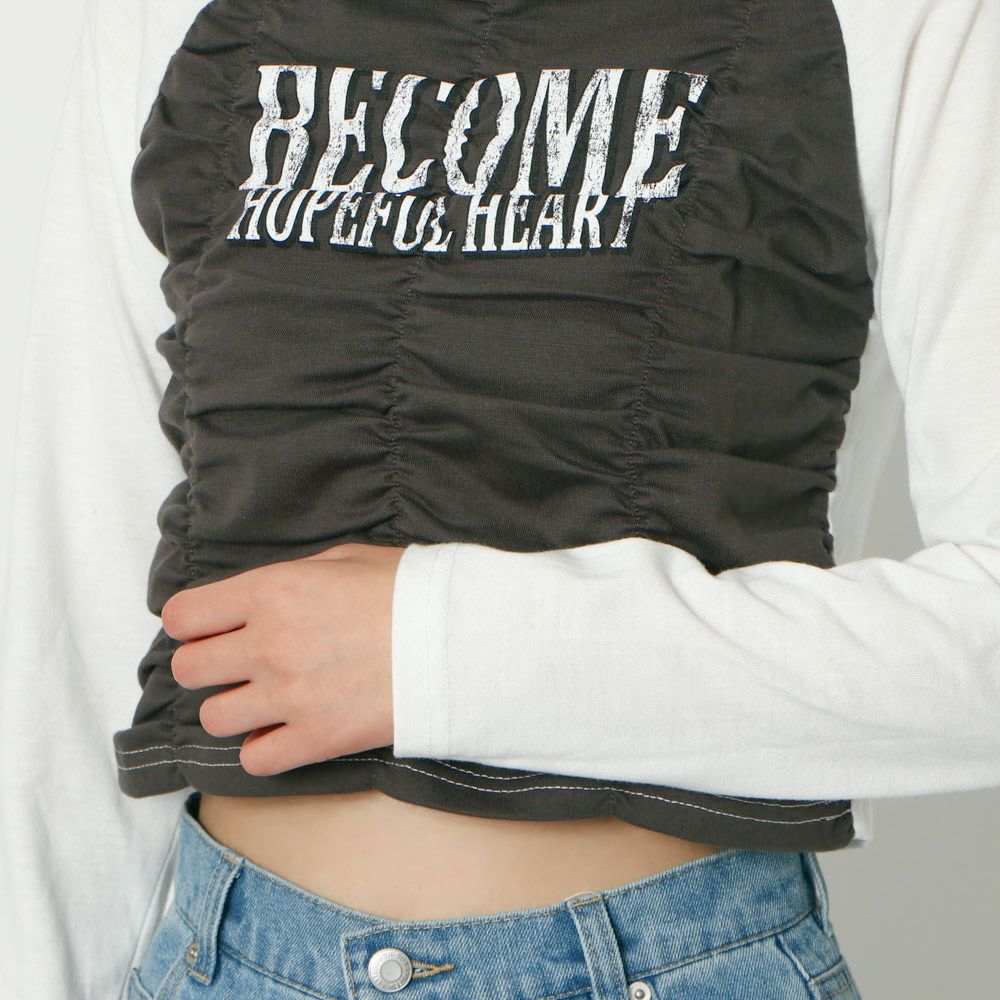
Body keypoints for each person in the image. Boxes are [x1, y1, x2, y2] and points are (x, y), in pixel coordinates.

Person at [1, 0, 998, 998]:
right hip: (224, 960)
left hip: (665, 967)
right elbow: (74, 610)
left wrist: (441, 650)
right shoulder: (161, 15)